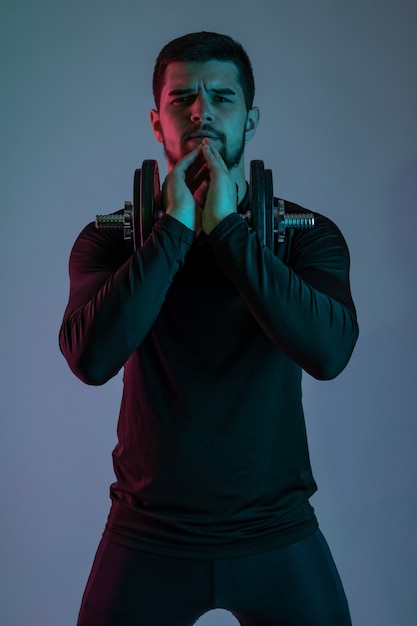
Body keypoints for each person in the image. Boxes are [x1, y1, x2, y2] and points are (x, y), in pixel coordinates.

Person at [60, 31, 359, 626]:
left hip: (276, 531)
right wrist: (174, 226)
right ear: (157, 121)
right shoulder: (109, 241)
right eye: (183, 99)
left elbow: (328, 353)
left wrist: (225, 228)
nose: (202, 111)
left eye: (222, 98)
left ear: (250, 120)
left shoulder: (306, 237)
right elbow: (92, 360)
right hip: (149, 535)